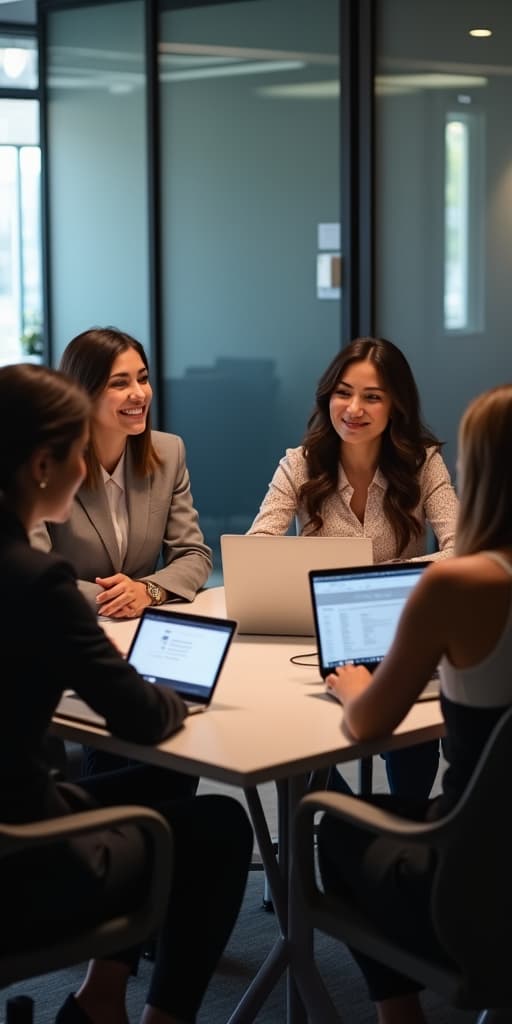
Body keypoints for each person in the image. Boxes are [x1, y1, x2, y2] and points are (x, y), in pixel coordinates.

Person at [0, 362, 252, 1024]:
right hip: (23, 858)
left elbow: (190, 554)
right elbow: (142, 716)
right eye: (78, 453)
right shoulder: (35, 581)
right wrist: (176, 694)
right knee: (221, 826)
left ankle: (101, 1000)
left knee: (157, 789)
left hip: (21, 808)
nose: (89, 468)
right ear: (42, 466)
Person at [317, 382, 512, 1024]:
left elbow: (370, 722)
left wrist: (353, 688)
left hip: (472, 880)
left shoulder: (458, 583)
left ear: (483, 468)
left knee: (340, 822)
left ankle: (400, 1016)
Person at [249, 337, 459, 799]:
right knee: (288, 727)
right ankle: (333, 815)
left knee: (412, 739)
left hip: (399, 633)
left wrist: (370, 584)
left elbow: (462, 547)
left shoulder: (422, 463)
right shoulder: (299, 465)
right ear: (327, 398)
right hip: (320, 637)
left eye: (373, 396)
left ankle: (398, 832)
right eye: (343, 393)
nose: (354, 408)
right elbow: (259, 549)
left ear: (396, 406)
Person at [31, 326, 212, 620]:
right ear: (83, 393)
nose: (139, 394)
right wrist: (118, 599)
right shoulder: (44, 466)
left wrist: (147, 590)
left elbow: (194, 555)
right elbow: (35, 572)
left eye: (143, 378)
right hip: (65, 626)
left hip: (140, 627)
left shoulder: (168, 452)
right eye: (120, 384)